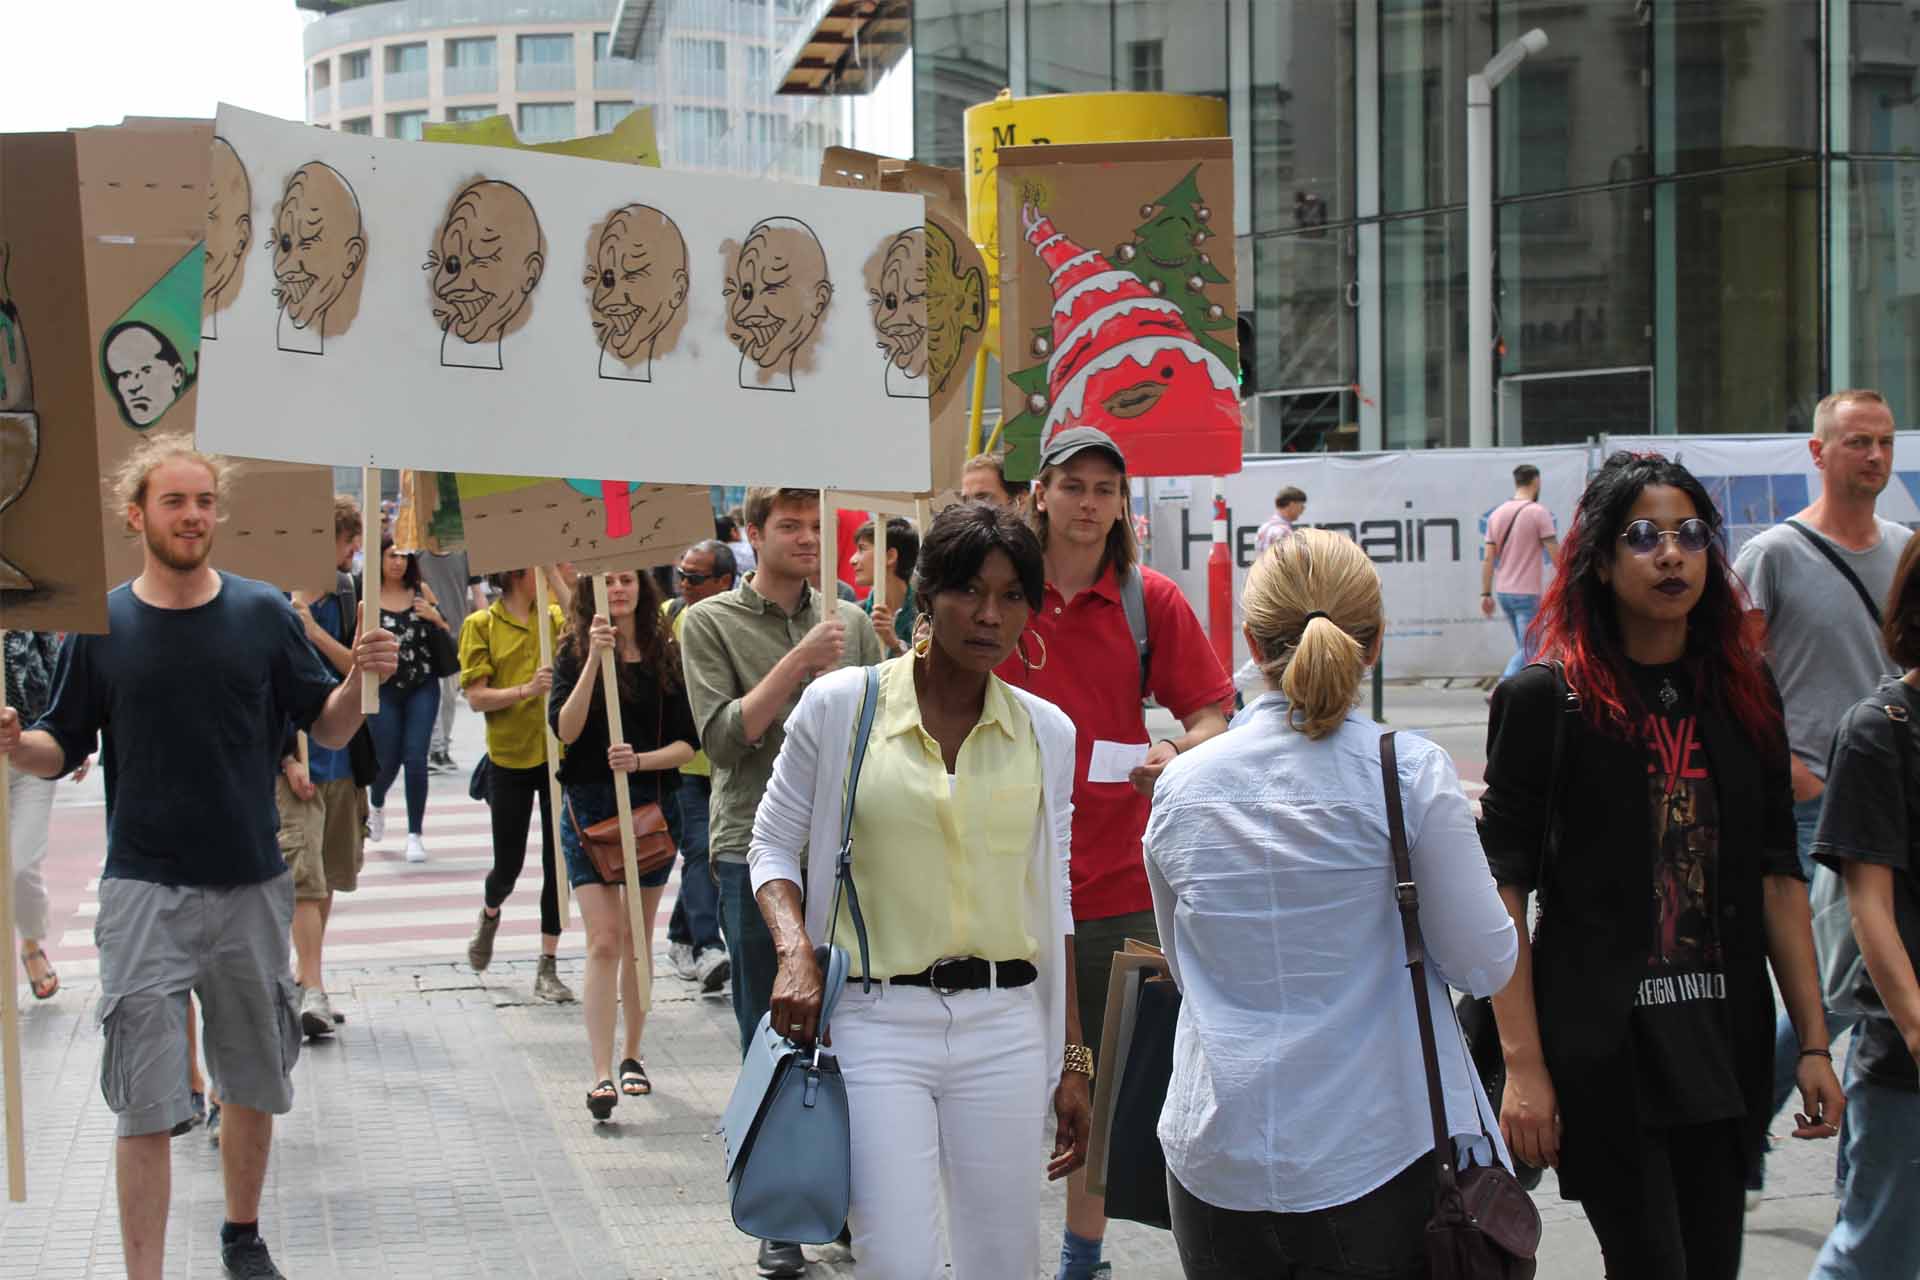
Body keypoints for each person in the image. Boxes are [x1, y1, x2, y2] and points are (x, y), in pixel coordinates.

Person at [0, 438, 398, 1280]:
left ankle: (242, 1236)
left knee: (253, 1079)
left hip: (252, 885)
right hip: (142, 890)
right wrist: (14, 743)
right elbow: (59, 744)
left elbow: (326, 725)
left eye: (204, 501)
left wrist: (360, 684)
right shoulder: (103, 626)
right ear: (136, 514)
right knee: (143, 1100)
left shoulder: (261, 614)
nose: (192, 516)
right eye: (174, 501)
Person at [1481, 451, 1845, 1279]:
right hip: (1602, 1047)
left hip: (1725, 1041)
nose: (1672, 555)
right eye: (1643, 536)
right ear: (1602, 562)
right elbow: (1502, 889)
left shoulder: (1745, 690)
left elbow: (1779, 875)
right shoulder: (1547, 699)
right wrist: (1525, 1066)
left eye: (1689, 535)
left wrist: (1814, 1044)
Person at [1146, 528, 1518, 1278]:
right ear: (1373, 643)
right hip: (1377, 1153)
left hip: (1217, 1158)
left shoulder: (1181, 786)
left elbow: (1186, 966)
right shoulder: (1409, 774)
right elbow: (1485, 964)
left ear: (1252, 643)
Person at [753, 502, 1090, 1277]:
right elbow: (769, 844)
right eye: (970, 590)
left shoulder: (1047, 732)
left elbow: (1055, 900)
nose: (990, 615)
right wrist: (794, 951)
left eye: (1012, 596)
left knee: (1003, 1261)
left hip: (1006, 1025)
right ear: (928, 593)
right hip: (874, 1023)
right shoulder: (842, 706)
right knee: (895, 1259)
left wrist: (1074, 1056)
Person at [994, 426, 1233, 1280]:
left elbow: (1213, 714)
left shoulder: (1147, 600)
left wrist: (1178, 751)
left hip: (1114, 887)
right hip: (995, 883)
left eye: (1105, 489)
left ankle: (1081, 1257)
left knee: (1092, 1087)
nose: (1089, 504)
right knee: (996, 1087)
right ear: (1040, 494)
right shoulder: (1000, 592)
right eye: (1073, 486)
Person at [679, 486, 883, 1279]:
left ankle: (842, 1201)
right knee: (773, 1028)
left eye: (814, 526)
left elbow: (880, 731)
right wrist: (800, 663)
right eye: (789, 526)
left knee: (851, 1029)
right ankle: (775, 1213)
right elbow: (723, 741)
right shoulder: (708, 622)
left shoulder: (851, 621)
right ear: (752, 533)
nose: (806, 538)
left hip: (846, 848)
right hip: (752, 848)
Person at [1732, 388, 1909, 1185]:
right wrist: (1792, 773)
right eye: (1857, 441)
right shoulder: (1775, 553)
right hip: (1817, 806)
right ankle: (1747, 1131)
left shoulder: (1905, 549)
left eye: (1885, 441)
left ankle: (1854, 1177)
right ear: (1818, 452)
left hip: (1897, 802)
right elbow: (1735, 676)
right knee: (1841, 989)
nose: (1874, 455)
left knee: (1873, 988)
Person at [1807, 534, 1920, 1278]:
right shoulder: (1882, 729)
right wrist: (1917, 1027)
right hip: (1906, 1069)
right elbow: (1869, 906)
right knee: (1873, 1259)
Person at [551, 567, 698, 1117]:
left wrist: (639, 760)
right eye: (608, 581)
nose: (618, 589)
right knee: (603, 941)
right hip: (588, 812)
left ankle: (633, 1054)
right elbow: (565, 729)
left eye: (628, 580)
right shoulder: (572, 653)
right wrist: (594, 659)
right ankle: (600, 1072)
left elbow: (688, 743)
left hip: (649, 812)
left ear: (642, 588)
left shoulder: (665, 655)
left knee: (637, 935)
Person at [278, 494, 373, 1037]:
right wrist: (285, 756)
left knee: (329, 873)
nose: (353, 548)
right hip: (294, 762)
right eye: (345, 539)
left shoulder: (347, 593)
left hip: (342, 757)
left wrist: (313, 632)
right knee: (303, 876)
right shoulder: (272, 598)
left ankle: (306, 974)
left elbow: (359, 671)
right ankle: (310, 984)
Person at [459, 566, 573, 1002]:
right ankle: (490, 912)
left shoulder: (553, 617)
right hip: (508, 758)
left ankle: (548, 962)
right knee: (507, 864)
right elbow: (476, 697)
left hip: (557, 755)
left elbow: (581, 623)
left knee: (558, 862)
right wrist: (526, 690)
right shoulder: (481, 624)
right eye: (535, 567)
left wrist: (553, 572)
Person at [663, 540, 734, 993]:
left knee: (712, 855)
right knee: (700, 850)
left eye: (695, 578)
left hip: (729, 760)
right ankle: (708, 946)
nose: (685, 585)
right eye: (681, 576)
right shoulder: (671, 617)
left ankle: (680, 935)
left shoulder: (737, 620)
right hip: (685, 762)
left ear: (724, 582)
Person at [8, 630, 90, 1002]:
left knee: (21, 864)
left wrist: (71, 739)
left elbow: (58, 672)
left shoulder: (28, 610)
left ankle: (30, 942)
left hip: (31, 752)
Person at [365, 534, 451, 863]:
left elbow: (446, 632)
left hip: (422, 685)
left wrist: (434, 617)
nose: (398, 562)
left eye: (403, 556)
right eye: (392, 555)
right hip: (383, 688)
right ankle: (376, 802)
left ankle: (415, 834)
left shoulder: (421, 592)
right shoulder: (367, 594)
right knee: (387, 760)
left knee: (416, 757)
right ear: (379, 559)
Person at [1479, 464, 1559, 684]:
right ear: (1536, 482)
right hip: (1527, 592)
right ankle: (1503, 687)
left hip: (1503, 592)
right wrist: (1568, 578)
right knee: (1529, 648)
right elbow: (1554, 552)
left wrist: (1485, 593)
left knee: (1525, 649)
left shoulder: (1496, 514)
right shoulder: (1538, 512)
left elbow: (1488, 558)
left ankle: (1520, 692)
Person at [420, 546, 482, 774]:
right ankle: (435, 749)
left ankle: (442, 746)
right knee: (435, 693)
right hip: (428, 635)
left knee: (449, 695)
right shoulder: (418, 557)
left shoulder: (464, 555)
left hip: (457, 635)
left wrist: (486, 625)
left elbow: (478, 593)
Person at [852, 516, 919, 658]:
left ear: (890, 557)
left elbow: (930, 666)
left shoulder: (925, 614)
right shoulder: (857, 614)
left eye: (862, 549)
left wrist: (895, 644)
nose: (852, 560)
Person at [1252, 484, 1306, 556]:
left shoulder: (1264, 527)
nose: (1303, 510)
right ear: (1292, 505)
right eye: (1301, 506)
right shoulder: (1284, 532)